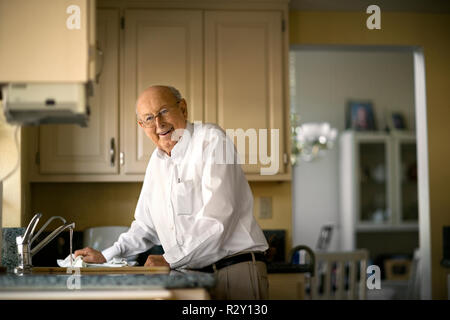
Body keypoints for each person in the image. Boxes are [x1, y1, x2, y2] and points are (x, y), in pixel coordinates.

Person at [74, 85, 269, 299]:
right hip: (189, 276)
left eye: (164, 111)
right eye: (149, 118)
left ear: (183, 109)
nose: (158, 124)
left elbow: (217, 221)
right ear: (141, 125)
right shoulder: (156, 163)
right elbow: (145, 227)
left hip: (234, 273)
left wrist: (170, 259)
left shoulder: (212, 140)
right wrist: (106, 255)